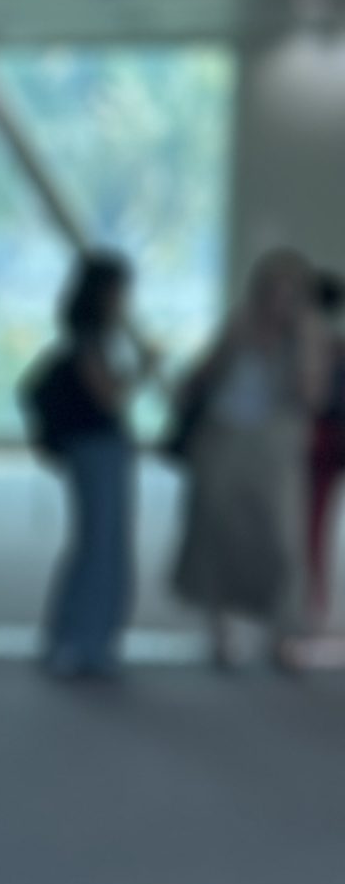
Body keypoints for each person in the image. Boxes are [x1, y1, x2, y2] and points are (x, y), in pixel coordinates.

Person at [169, 249, 332, 670]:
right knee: (219, 535)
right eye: (273, 289)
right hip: (223, 439)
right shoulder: (240, 325)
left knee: (282, 541)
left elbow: (311, 396)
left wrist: (302, 339)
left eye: (289, 291)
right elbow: (202, 375)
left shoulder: (307, 334)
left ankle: (283, 633)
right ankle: (221, 629)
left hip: (274, 447)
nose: (279, 299)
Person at [30, 251, 156, 681]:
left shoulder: (90, 338)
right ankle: (83, 640)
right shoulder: (91, 340)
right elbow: (107, 395)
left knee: (98, 542)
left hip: (94, 448)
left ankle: (82, 637)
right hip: (97, 448)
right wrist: (142, 371)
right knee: (101, 544)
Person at [303, 270, 345, 627]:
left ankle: (312, 604)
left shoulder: (318, 344)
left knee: (311, 525)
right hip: (325, 438)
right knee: (312, 525)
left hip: (322, 438)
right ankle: (312, 603)